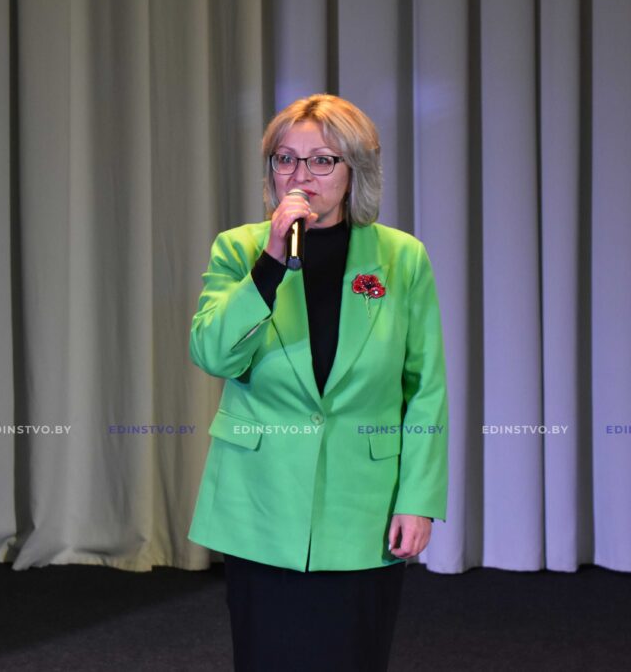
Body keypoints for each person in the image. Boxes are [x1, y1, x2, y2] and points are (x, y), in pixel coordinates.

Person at [187, 93, 448, 671]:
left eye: (322, 160)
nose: (300, 175)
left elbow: (425, 389)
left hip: (363, 506)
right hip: (261, 501)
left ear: (356, 170)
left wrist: (419, 501)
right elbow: (212, 354)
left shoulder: (403, 258)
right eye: (285, 159)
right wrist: (271, 262)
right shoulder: (239, 249)